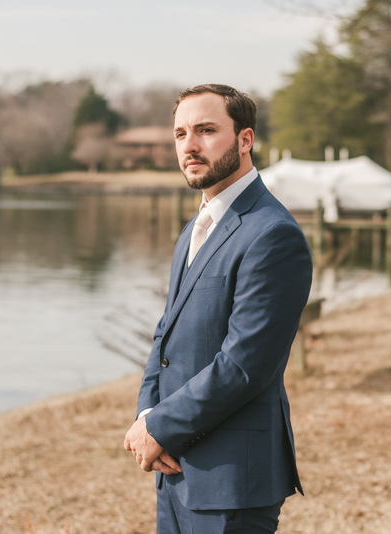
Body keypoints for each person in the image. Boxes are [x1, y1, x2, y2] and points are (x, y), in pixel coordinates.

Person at [123, 84, 313, 534]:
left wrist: (162, 428)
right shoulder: (195, 228)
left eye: (206, 130)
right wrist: (147, 416)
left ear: (245, 140)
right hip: (177, 468)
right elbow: (165, 334)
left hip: (232, 479)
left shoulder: (272, 234)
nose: (189, 145)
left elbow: (246, 364)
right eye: (180, 133)